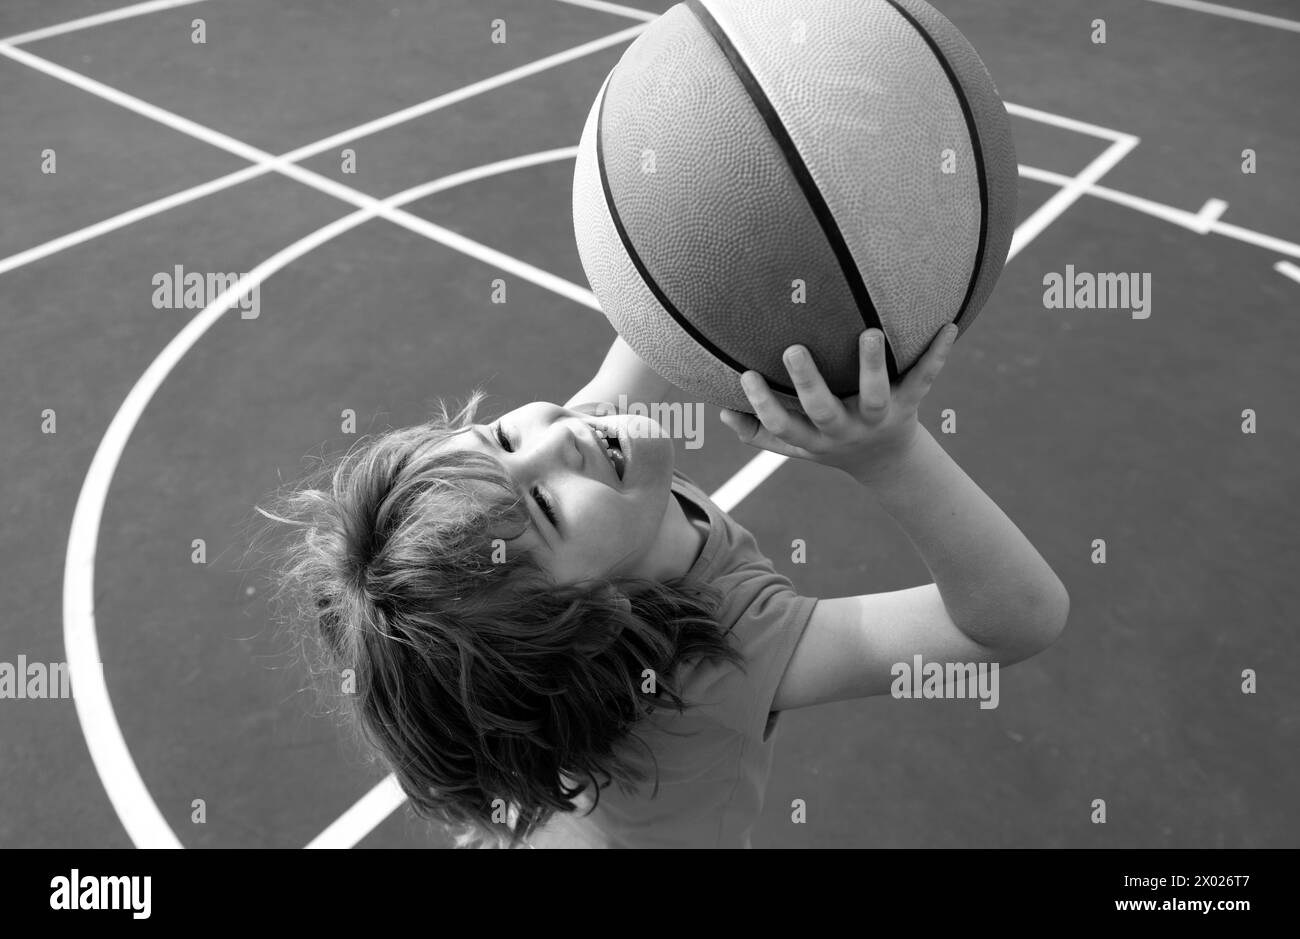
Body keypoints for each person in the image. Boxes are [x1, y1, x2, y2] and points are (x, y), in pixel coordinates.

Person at [256, 325, 1069, 848]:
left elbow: (657, 305)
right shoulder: (724, 663)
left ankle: (510, 815)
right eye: (540, 502)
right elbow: (1014, 622)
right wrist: (887, 455)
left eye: (502, 435)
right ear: (588, 618)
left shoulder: (591, 479)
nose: (560, 436)